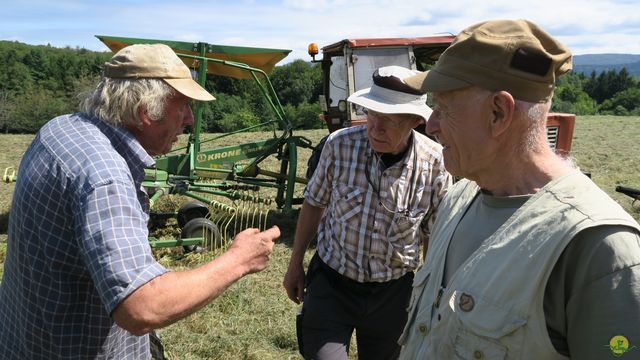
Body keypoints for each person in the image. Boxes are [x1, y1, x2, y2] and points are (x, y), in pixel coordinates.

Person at [0, 43, 280, 359]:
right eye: (184, 105)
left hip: (26, 338)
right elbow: (143, 307)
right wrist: (239, 260)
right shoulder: (104, 176)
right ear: (146, 111)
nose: (189, 119)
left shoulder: (60, 128)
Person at [398, 19, 640, 359]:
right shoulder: (457, 199)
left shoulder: (598, 248)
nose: (431, 124)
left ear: (498, 112)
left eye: (443, 108)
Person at [283, 65, 453, 359]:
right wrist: (295, 262)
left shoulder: (435, 164)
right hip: (332, 283)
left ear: (414, 121)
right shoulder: (340, 146)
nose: (375, 128)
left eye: (389, 120)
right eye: (372, 114)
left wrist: (429, 293)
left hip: (393, 294)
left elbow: (432, 236)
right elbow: (314, 202)